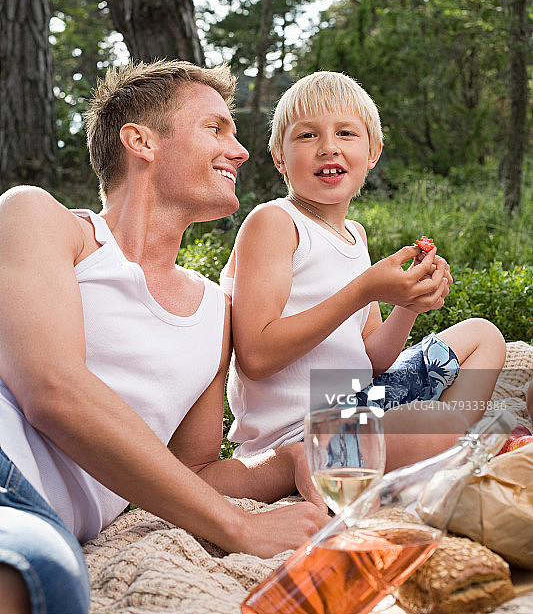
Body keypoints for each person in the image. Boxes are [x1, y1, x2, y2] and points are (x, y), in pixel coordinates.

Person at [0, 60, 329, 614]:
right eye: (216, 128)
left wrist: (288, 458)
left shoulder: (215, 314)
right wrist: (238, 529)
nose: (241, 150)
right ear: (141, 141)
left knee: (46, 575)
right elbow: (53, 390)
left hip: (41, 526)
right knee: (45, 573)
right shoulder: (40, 220)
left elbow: (192, 474)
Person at [222, 70, 507, 467]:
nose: (328, 148)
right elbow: (255, 356)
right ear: (280, 159)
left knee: (484, 335)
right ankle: (447, 449)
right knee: (438, 423)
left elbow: (374, 360)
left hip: (360, 400)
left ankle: (442, 448)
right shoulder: (274, 222)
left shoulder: (355, 235)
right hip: (302, 433)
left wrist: (409, 304)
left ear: (372, 152)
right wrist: (363, 290)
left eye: (345, 133)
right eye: (307, 135)